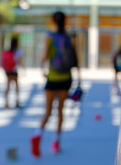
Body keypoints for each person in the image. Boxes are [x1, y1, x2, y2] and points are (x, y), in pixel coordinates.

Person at [31, 11, 80, 157]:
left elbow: (45, 57)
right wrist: (79, 78)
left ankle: (37, 135)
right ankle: (56, 141)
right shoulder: (69, 37)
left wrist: (42, 68)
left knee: (47, 110)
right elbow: (76, 59)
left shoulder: (49, 37)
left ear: (53, 21)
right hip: (66, 78)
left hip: (52, 77)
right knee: (60, 111)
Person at [2, 37, 23, 109]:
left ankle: (6, 102)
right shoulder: (18, 51)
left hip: (8, 70)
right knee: (16, 86)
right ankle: (17, 101)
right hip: (14, 70)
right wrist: (23, 69)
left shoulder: (8, 51)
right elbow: (19, 62)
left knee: (8, 86)